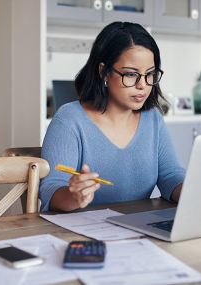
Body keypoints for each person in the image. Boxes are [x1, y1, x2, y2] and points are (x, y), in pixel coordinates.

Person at [39, 22, 185, 212]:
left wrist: (195, 191)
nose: (143, 85)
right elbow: (51, 190)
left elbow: (170, 175)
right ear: (104, 72)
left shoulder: (152, 119)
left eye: (150, 74)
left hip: (137, 230)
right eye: (131, 74)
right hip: (82, 235)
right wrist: (73, 196)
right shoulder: (70, 120)